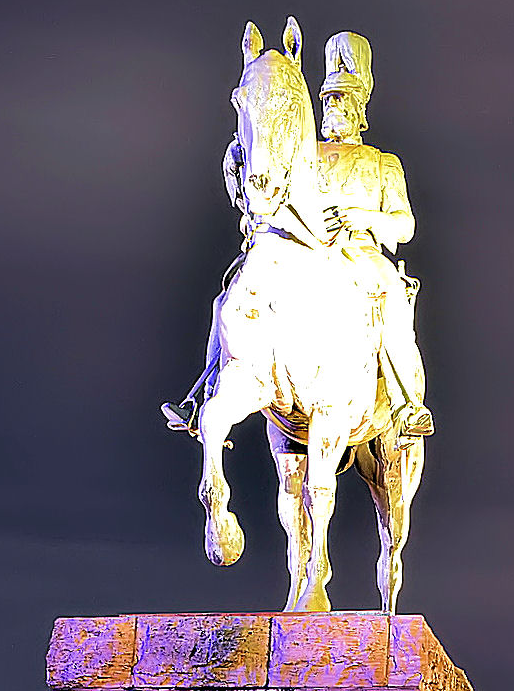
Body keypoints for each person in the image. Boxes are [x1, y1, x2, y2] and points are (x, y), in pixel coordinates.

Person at [163, 30, 432, 437]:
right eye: (327, 101)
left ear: (360, 109)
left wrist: (362, 216)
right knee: (231, 294)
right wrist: (240, 162)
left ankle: (406, 403)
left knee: (392, 295)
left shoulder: (382, 162)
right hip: (305, 247)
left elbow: (404, 225)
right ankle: (205, 390)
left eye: (341, 100)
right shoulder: (307, 155)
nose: (332, 108)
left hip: (360, 253)